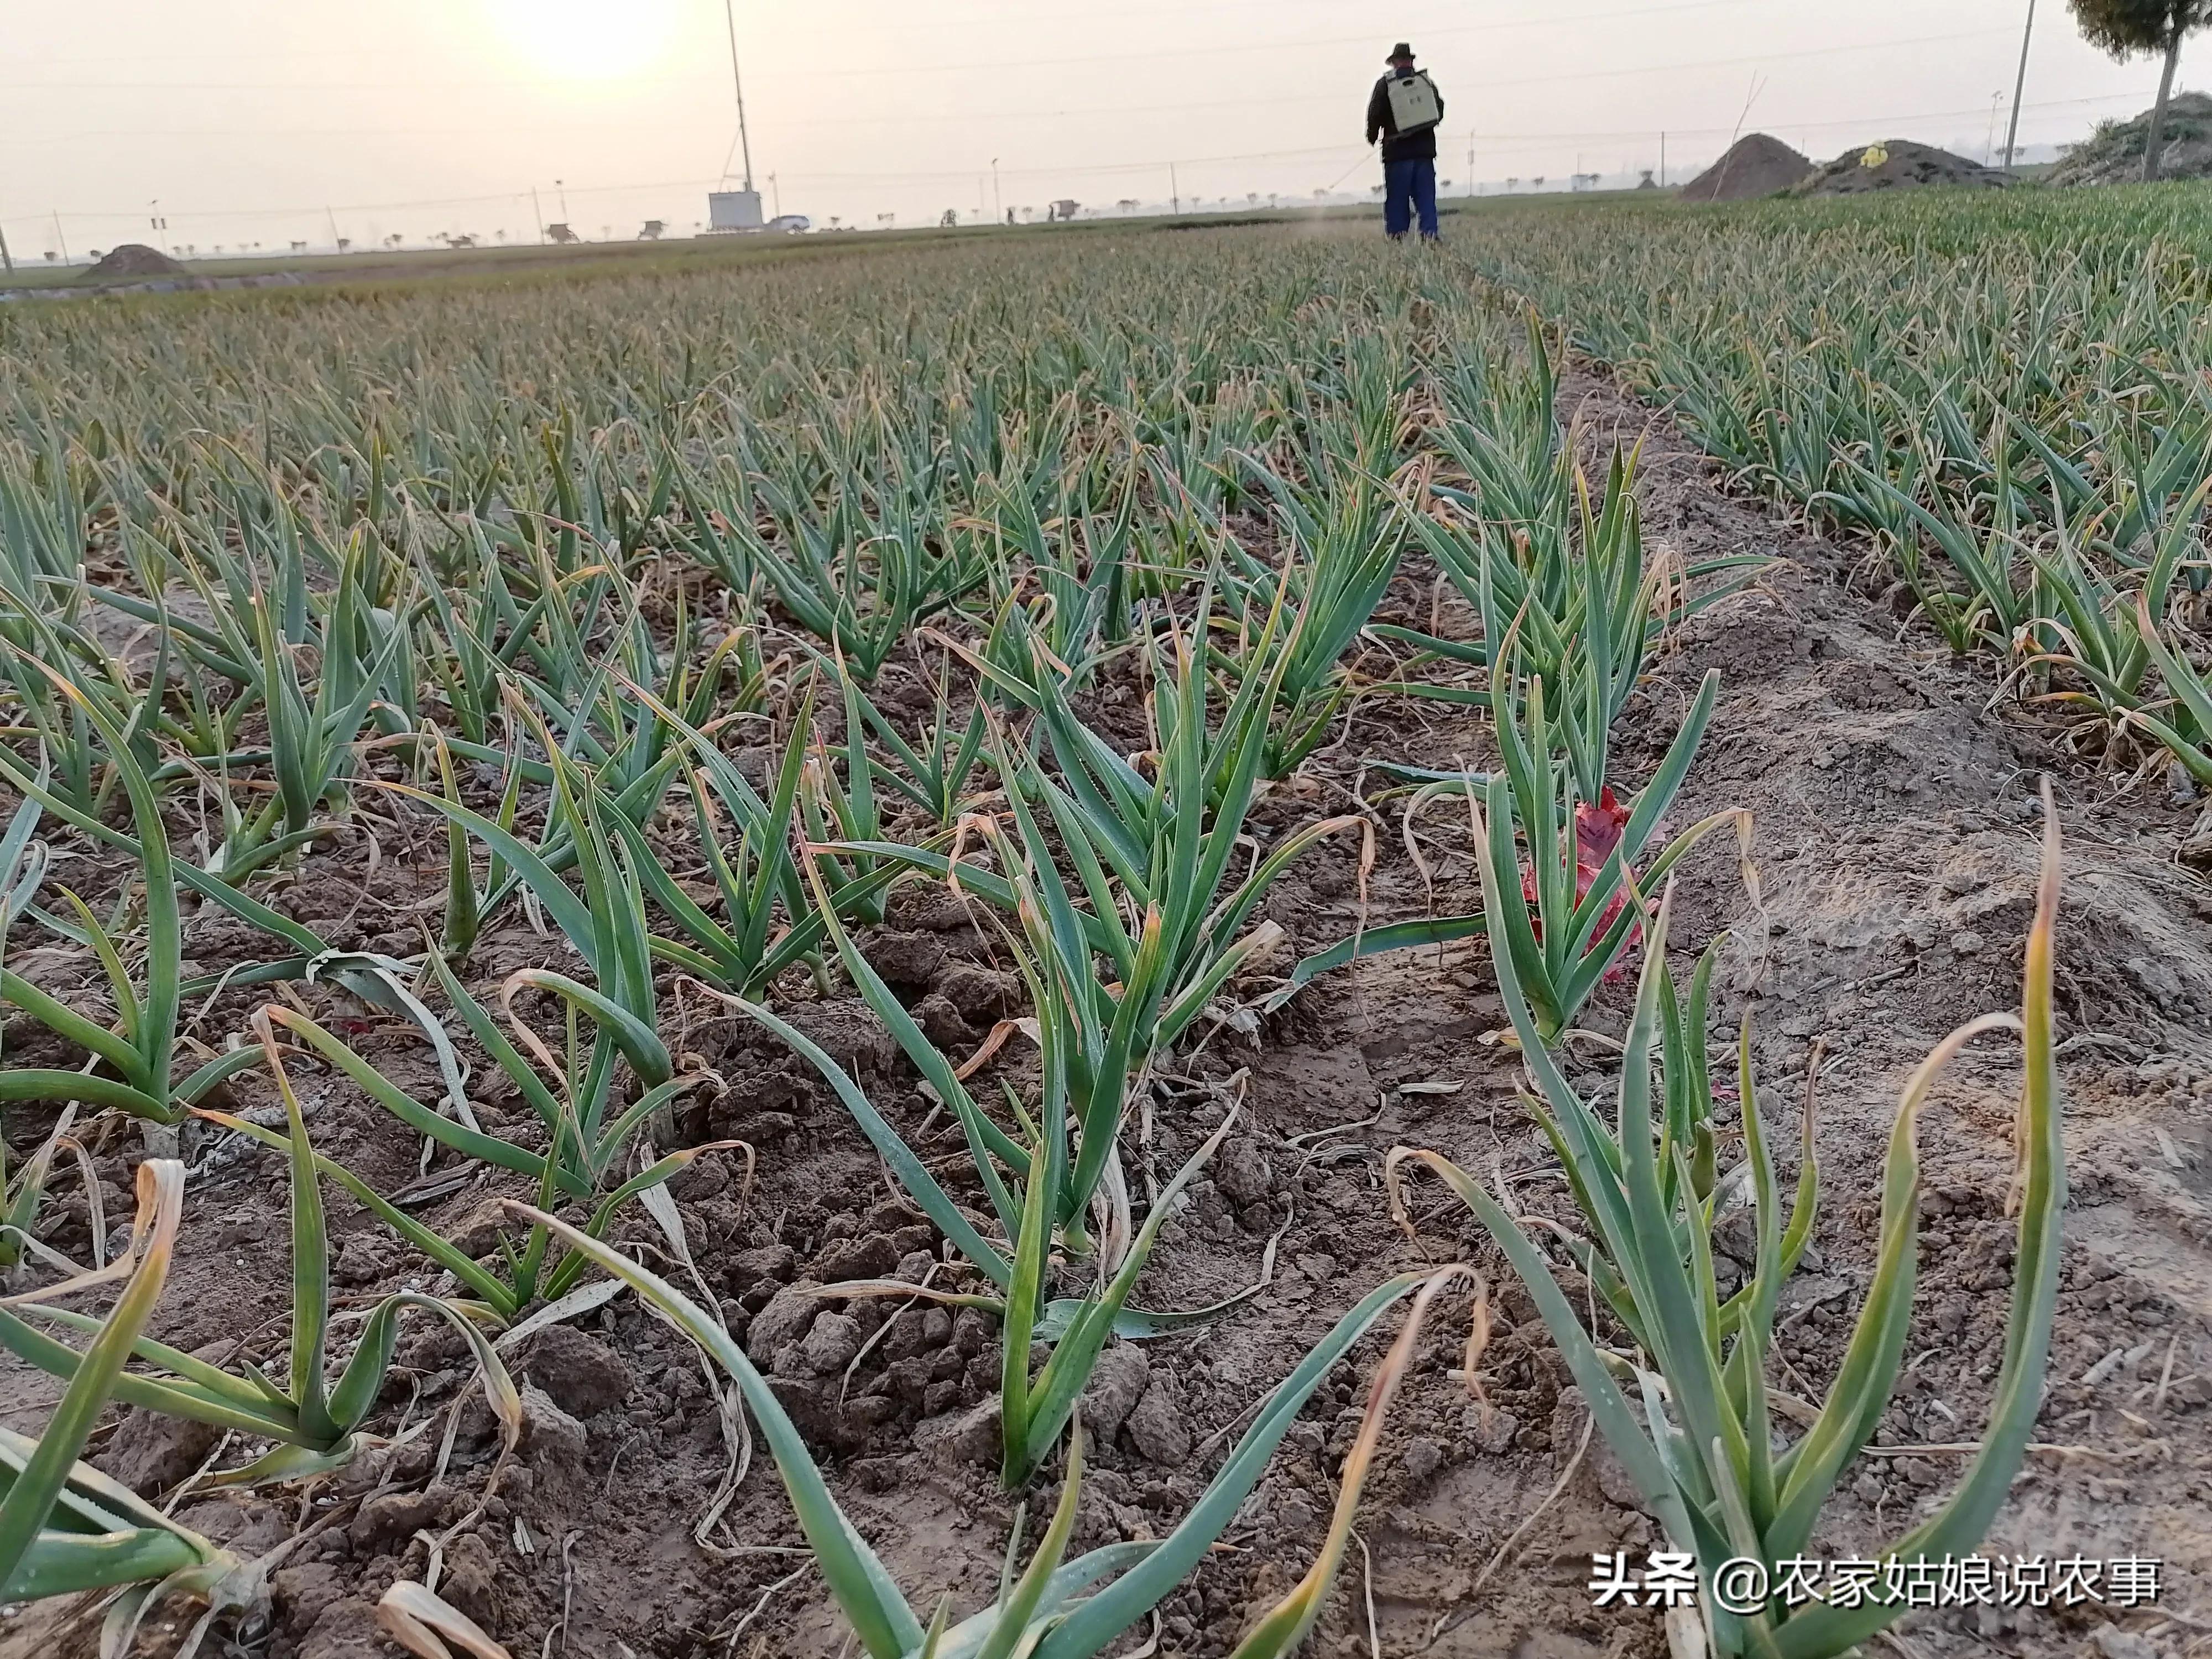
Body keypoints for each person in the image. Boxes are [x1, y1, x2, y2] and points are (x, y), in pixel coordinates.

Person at [1365, 43, 1443, 242]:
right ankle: (1430, 237)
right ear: (1411, 61)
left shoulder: (1385, 85)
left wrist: (1372, 137)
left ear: (1394, 63)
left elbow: (1375, 113)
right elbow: (1439, 110)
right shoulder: (1425, 82)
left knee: (1397, 201)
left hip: (1397, 155)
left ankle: (1397, 239)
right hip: (1424, 154)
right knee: (1426, 200)